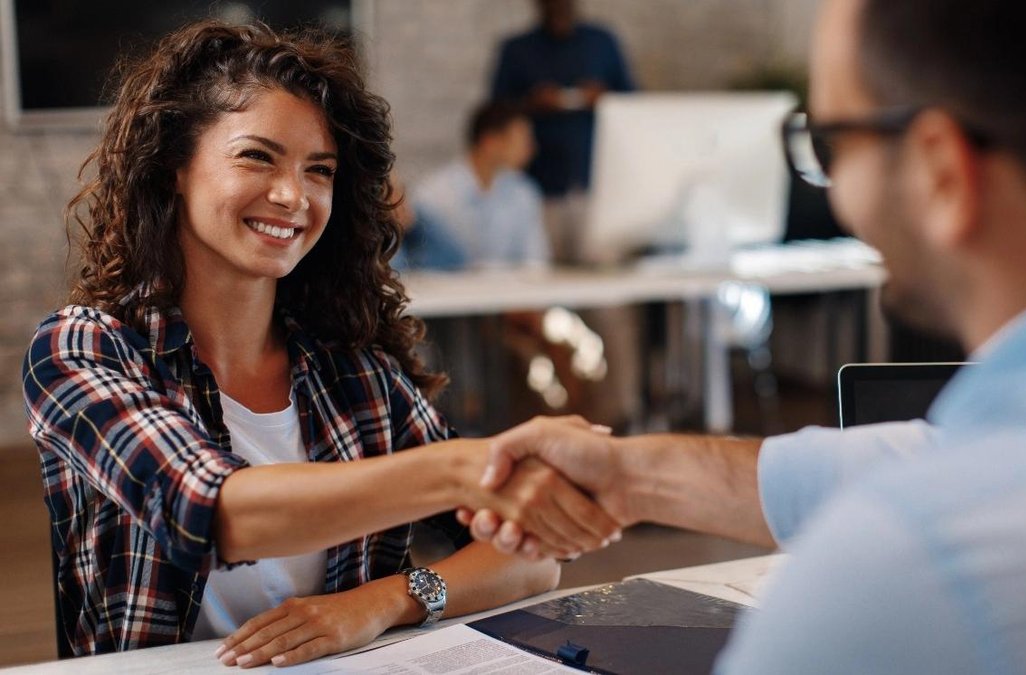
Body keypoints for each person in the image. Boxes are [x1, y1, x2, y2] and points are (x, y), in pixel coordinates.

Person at [466, 0, 1026, 671]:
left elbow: (925, 495)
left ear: (942, 171)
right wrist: (628, 474)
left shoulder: (903, 568)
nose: (834, 187)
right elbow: (911, 456)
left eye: (831, 140)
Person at [20, 21, 618, 665]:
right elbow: (214, 514)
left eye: (320, 170)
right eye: (258, 156)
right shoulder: (81, 348)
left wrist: (384, 601)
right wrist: (465, 470)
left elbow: (530, 560)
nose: (293, 195)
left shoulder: (355, 371)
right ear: (174, 168)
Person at [490, 0, 635, 260]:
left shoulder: (601, 42)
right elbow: (495, 112)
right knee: (544, 276)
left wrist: (605, 97)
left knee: (602, 280)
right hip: (540, 185)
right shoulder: (517, 49)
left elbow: (633, 102)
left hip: (595, 182)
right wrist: (531, 102)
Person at [405, 101, 548, 270]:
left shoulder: (524, 193)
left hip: (511, 293)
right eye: (522, 140)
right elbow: (419, 262)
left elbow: (535, 262)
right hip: (449, 292)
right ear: (490, 142)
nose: (530, 149)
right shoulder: (433, 194)